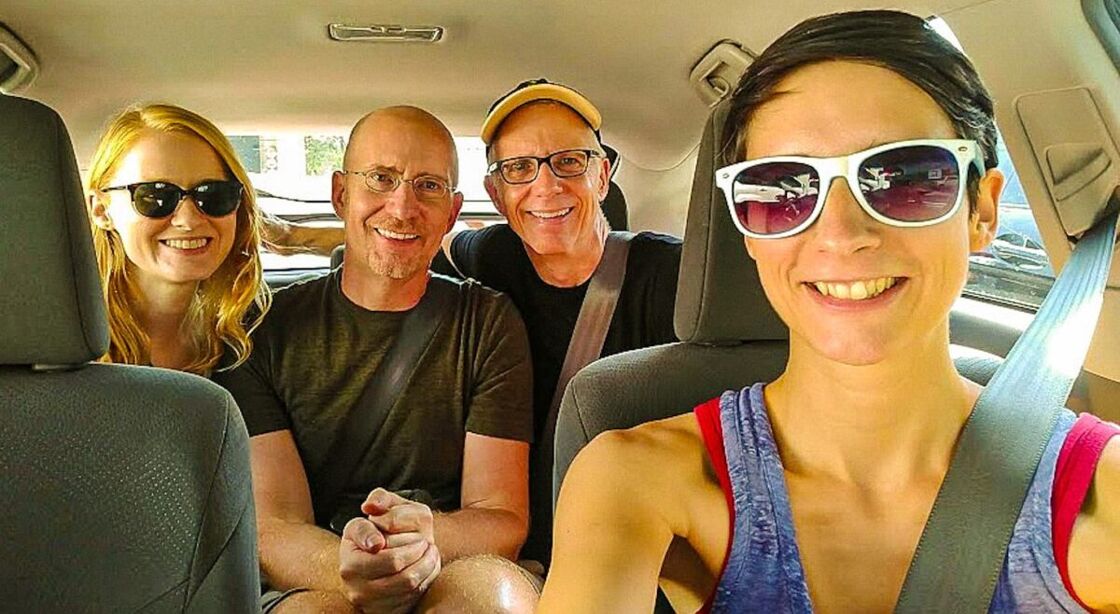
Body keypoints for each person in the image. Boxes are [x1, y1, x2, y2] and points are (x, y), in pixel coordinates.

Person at [542, 10, 1119, 613]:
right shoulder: (634, 479)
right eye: (783, 190)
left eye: (905, 177)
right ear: (746, 231)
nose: (841, 233)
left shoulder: (1100, 493)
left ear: (981, 211)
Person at [213, 106, 536, 613]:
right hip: (315, 569)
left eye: (428, 186)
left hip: (455, 561)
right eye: (381, 179)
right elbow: (275, 526)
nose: (403, 207)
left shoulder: (488, 322)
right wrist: (349, 564)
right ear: (342, 193)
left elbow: (501, 516)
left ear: (452, 212)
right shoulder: (262, 329)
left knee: (489, 600)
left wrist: (428, 538)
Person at [433, 79, 682, 561]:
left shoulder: (671, 277)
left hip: (627, 544)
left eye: (569, 162)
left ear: (603, 176)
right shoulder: (491, 255)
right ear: (497, 193)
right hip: (503, 541)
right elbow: (440, 241)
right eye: (519, 169)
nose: (546, 186)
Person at [86, 103, 271, 375]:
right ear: (101, 210)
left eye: (212, 194)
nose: (189, 220)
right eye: (155, 195)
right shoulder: (66, 343)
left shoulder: (247, 334)